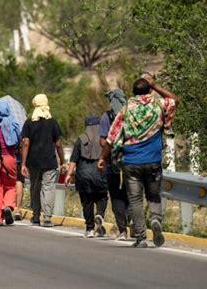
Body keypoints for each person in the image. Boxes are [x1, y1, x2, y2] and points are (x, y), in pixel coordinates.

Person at [98, 73, 180, 248]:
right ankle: (156, 220)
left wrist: (102, 158)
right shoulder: (158, 105)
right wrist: (156, 85)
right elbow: (175, 99)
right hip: (153, 161)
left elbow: (112, 137)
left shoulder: (126, 109)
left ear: (133, 92)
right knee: (153, 195)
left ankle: (141, 237)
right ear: (149, 90)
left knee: (135, 200)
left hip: (131, 162)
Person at [21, 94, 66, 227]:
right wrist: (63, 161)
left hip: (33, 162)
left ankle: (35, 216)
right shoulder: (53, 123)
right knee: (48, 188)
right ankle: (47, 218)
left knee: (35, 188)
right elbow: (58, 144)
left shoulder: (29, 123)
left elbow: (26, 144)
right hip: (49, 162)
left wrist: (23, 164)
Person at [65, 115, 108, 238]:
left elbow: (74, 159)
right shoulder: (103, 140)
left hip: (83, 174)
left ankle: (90, 228)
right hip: (99, 172)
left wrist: (69, 174)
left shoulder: (81, 139)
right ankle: (99, 214)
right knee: (102, 197)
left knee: (87, 201)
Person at [99, 88, 130, 240]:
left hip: (113, 164)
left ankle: (123, 230)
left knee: (116, 197)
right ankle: (135, 225)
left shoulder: (107, 116)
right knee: (132, 194)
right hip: (132, 161)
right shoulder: (132, 113)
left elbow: (103, 141)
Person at [13, 141, 25, 221]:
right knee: (19, 181)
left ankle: (8, 207)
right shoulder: (20, 128)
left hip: (5, 159)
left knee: (7, 184)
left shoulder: (2, 128)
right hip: (19, 161)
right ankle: (17, 209)